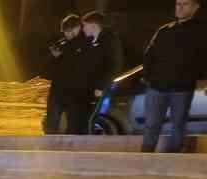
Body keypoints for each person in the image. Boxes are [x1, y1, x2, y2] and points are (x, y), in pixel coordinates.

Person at [141, 0, 206, 151]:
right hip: (157, 87)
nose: (180, 7)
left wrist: (202, 78)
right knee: (151, 124)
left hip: (182, 88)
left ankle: (173, 159)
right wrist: (147, 75)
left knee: (178, 125)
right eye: (178, 4)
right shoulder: (165, 30)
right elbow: (149, 54)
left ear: (196, 7)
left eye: (185, 4)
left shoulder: (202, 31)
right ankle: (145, 157)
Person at [46, 14, 93, 134]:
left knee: (73, 122)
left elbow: (85, 65)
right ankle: (49, 144)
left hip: (75, 91)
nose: (66, 34)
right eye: (65, 31)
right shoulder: (62, 43)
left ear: (76, 28)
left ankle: (72, 147)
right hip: (58, 89)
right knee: (52, 120)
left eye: (68, 31)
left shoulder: (86, 43)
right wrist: (54, 57)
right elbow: (50, 64)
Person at [82, 12, 125, 99]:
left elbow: (114, 65)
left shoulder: (110, 40)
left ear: (93, 26)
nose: (83, 29)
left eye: (85, 25)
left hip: (99, 91)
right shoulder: (91, 41)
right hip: (89, 88)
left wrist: (101, 86)